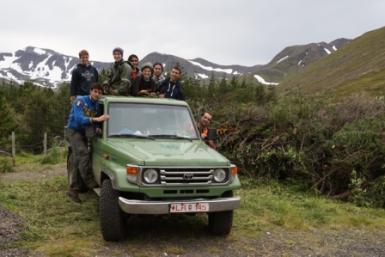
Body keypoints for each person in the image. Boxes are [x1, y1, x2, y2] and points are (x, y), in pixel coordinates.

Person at [66, 83, 109, 203]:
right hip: (74, 131)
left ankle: (73, 188)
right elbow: (78, 119)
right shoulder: (80, 101)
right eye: (95, 91)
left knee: (77, 159)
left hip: (86, 132)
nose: (97, 94)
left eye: (100, 92)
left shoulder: (99, 104)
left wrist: (98, 127)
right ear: (90, 91)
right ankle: (90, 182)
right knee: (83, 154)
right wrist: (96, 120)